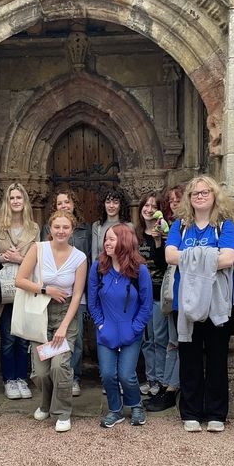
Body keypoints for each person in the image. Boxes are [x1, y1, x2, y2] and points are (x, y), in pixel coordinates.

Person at [165, 176, 234, 432]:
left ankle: (217, 413)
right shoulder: (180, 226)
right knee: (190, 358)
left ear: (214, 195)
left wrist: (191, 259)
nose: (200, 196)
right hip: (184, 303)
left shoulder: (224, 225)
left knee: (217, 359)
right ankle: (191, 412)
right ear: (189, 198)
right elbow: (170, 255)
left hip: (217, 302)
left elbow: (228, 258)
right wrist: (208, 257)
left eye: (205, 192)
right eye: (195, 193)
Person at [16, 210, 87, 432]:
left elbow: (77, 295)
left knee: (60, 365)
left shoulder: (79, 257)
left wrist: (65, 326)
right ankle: (46, 402)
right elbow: (20, 280)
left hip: (66, 314)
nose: (61, 231)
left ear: (72, 231)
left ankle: (62, 412)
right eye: (57, 227)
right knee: (41, 371)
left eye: (66, 227)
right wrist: (46, 289)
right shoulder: (39, 249)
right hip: (41, 312)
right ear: (50, 228)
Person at [88, 224, 152, 427]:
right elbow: (92, 301)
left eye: (112, 239)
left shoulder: (139, 271)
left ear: (124, 241)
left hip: (130, 332)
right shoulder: (98, 267)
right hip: (106, 331)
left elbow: (146, 305)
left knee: (126, 375)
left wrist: (135, 329)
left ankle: (136, 406)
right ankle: (115, 410)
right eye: (106, 239)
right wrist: (99, 325)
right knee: (107, 374)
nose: (107, 242)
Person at [0, 183, 40, 400]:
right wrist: (2, 257)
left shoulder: (33, 228)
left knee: (24, 338)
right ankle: (9, 379)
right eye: (12, 198)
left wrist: (22, 259)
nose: (16, 201)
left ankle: (22, 378)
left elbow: (39, 256)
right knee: (8, 337)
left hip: (25, 287)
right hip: (6, 290)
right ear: (7, 202)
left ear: (25, 201)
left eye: (19, 198)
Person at [42, 189, 91, 396]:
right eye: (60, 203)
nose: (64, 205)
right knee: (50, 336)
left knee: (75, 338)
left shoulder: (84, 231)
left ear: (73, 205)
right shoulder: (48, 230)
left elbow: (88, 257)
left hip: (76, 292)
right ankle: (54, 376)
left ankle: (73, 376)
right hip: (49, 296)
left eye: (67, 202)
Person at [145, 183, 185, 412]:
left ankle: (173, 387)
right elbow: (163, 262)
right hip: (171, 291)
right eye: (171, 200)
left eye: (178, 199)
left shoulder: (183, 227)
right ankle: (168, 386)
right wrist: (160, 242)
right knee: (171, 341)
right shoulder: (171, 227)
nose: (175, 203)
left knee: (177, 341)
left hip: (186, 290)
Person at [134, 192, 169, 399]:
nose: (148, 209)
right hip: (141, 296)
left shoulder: (164, 234)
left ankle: (161, 378)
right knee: (147, 340)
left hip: (159, 293)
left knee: (160, 338)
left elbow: (164, 264)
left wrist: (157, 242)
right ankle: (150, 378)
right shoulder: (135, 235)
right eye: (145, 205)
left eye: (153, 206)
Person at [91, 186, 132, 262]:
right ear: (103, 204)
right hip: (103, 270)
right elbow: (95, 256)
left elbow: (131, 253)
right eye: (108, 202)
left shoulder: (128, 226)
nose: (111, 206)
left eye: (115, 202)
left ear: (121, 205)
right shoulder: (97, 226)